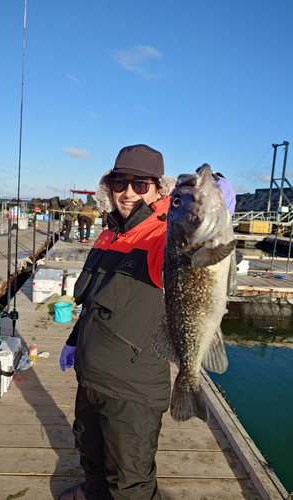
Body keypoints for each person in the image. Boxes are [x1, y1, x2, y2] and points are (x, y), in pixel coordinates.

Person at [58, 144, 236, 500]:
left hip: (132, 389)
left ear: (159, 189)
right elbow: (93, 297)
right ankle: (93, 493)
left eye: (140, 185)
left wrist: (213, 197)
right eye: (120, 182)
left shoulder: (162, 234)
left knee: (131, 480)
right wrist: (76, 339)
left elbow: (194, 251)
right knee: (91, 455)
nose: (127, 192)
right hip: (90, 376)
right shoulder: (109, 232)